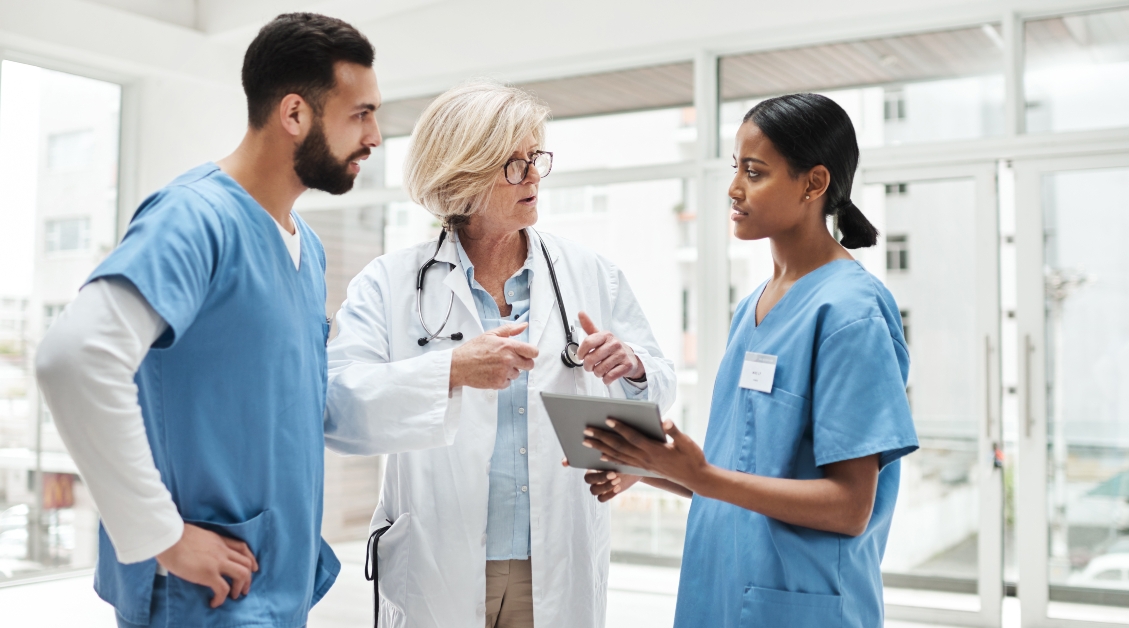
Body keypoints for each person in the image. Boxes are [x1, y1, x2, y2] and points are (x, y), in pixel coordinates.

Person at [35, 13, 382, 627]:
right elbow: (74, 358)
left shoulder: (305, 246)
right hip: (202, 597)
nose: (375, 136)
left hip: (272, 585)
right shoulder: (195, 217)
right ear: (295, 114)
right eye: (360, 114)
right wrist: (160, 534)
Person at [323, 80, 676, 628]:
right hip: (440, 559)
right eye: (513, 164)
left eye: (536, 157)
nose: (533, 175)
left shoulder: (589, 273)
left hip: (555, 560)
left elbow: (659, 387)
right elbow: (338, 406)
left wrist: (632, 366)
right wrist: (451, 371)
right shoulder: (390, 282)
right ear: (461, 175)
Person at [580, 93, 919, 628]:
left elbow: (850, 507)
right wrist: (646, 466)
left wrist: (700, 475)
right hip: (718, 591)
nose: (734, 188)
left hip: (800, 606)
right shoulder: (753, 307)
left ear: (814, 183)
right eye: (735, 167)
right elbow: (738, 476)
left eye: (754, 172)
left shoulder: (851, 311)